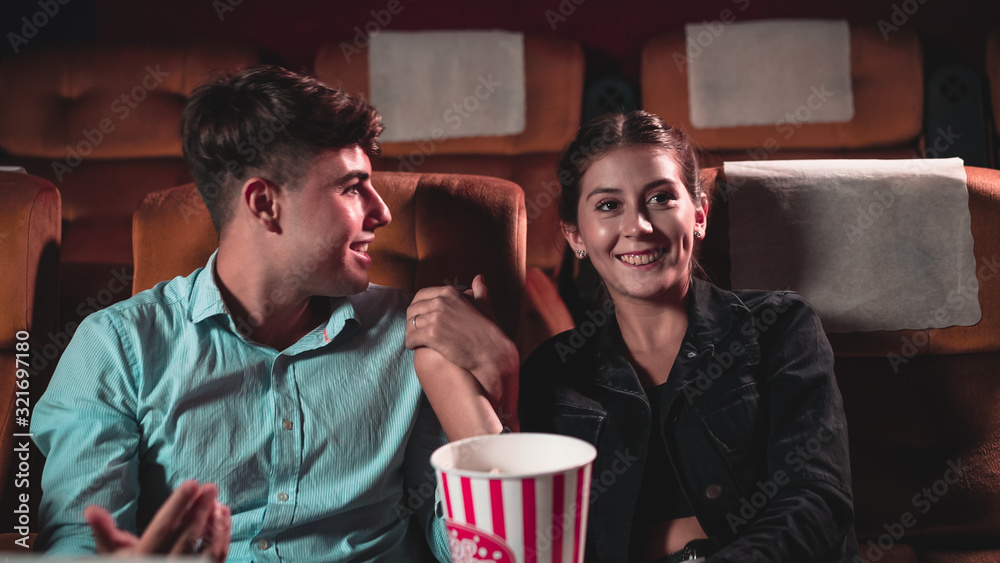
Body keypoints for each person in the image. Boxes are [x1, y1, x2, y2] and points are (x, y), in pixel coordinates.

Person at [30, 65, 515, 560]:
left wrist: (496, 393)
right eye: (351, 187)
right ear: (264, 204)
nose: (382, 212)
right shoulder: (115, 349)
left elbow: (473, 548)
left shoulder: (411, 334)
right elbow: (80, 545)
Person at [517, 111, 859, 562]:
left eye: (660, 198)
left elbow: (818, 502)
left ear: (698, 215)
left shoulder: (778, 325)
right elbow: (540, 537)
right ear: (575, 235)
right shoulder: (552, 371)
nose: (637, 226)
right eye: (607, 205)